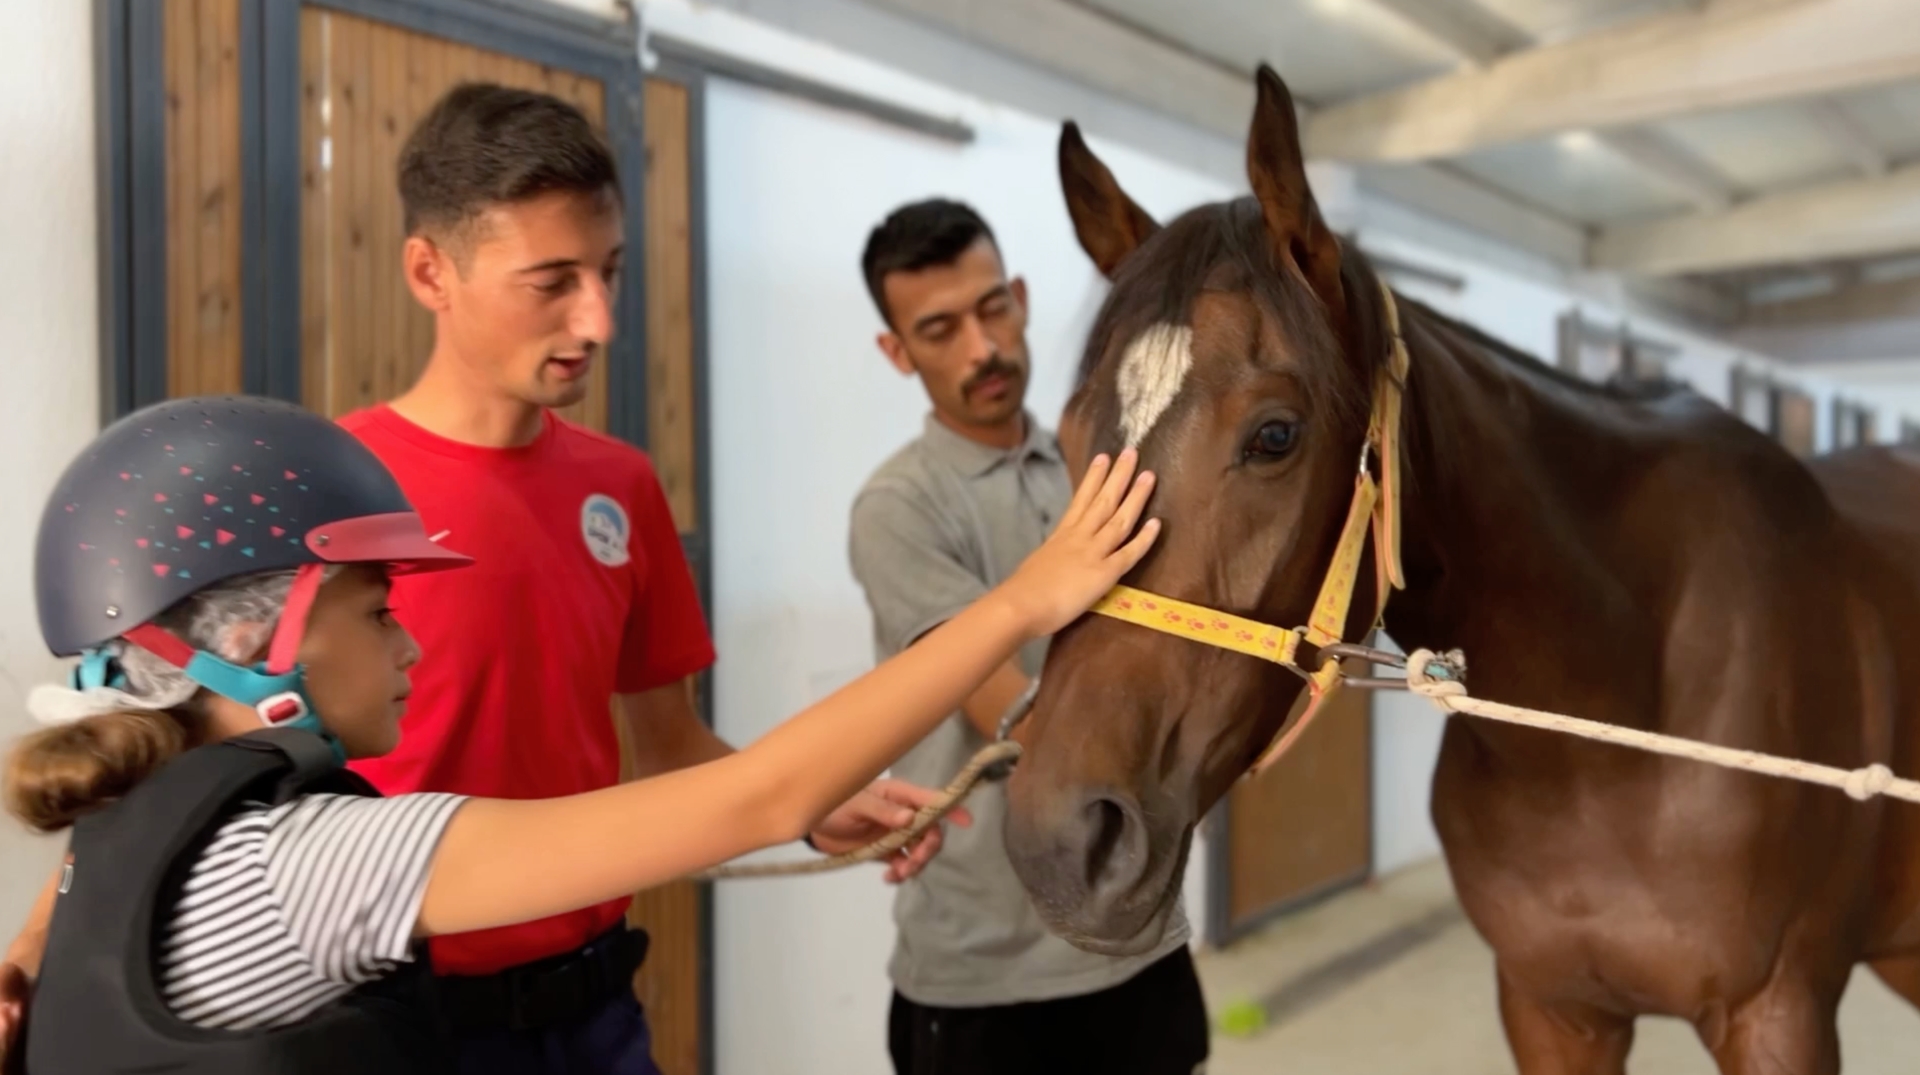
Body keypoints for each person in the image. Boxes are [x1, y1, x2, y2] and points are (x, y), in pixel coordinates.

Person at [0, 393, 1159, 1073]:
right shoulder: (310, 861)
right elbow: (754, 798)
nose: (410, 645)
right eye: (376, 609)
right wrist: (1023, 601)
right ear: (256, 640)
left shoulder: (114, 840)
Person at [849, 199, 1211, 1075]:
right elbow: (1005, 698)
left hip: (1139, 941)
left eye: (991, 310)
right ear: (897, 352)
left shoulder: (1107, 473)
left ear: (1019, 297)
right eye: (939, 329)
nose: (981, 348)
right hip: (986, 977)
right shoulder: (901, 506)